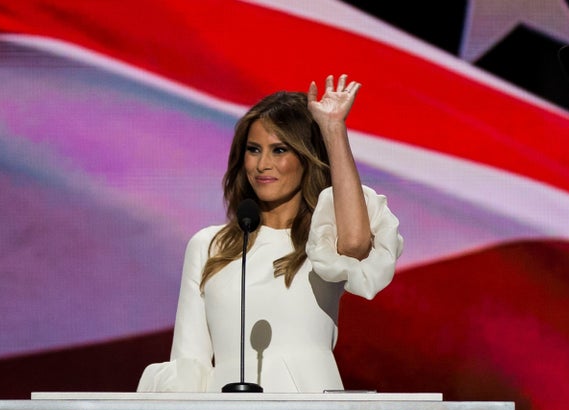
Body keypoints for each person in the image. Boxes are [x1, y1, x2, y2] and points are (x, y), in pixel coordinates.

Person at [137, 74, 403, 393]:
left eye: (279, 150)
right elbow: (188, 359)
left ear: (305, 158)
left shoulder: (323, 241)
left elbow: (357, 244)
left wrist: (333, 131)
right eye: (253, 150)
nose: (263, 164)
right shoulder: (209, 245)